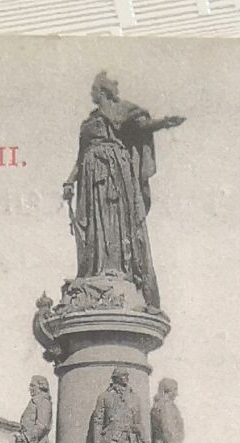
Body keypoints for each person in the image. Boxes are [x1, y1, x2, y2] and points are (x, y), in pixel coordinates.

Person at [62, 72, 185, 309]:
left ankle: (116, 269)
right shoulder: (88, 123)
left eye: (94, 90)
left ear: (103, 92)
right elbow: (80, 157)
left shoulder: (122, 111)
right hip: (89, 177)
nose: (91, 94)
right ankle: (95, 270)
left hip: (113, 173)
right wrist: (69, 182)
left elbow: (143, 126)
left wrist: (164, 123)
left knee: (113, 222)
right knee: (94, 226)